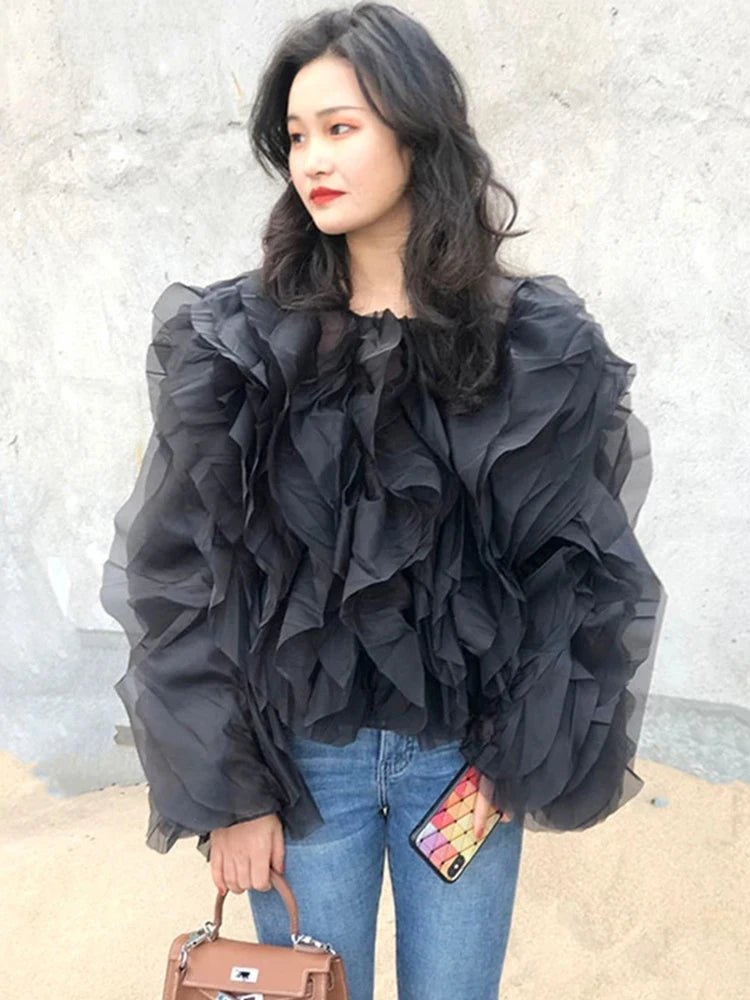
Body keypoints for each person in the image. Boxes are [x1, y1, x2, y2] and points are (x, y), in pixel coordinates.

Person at [100, 4, 666, 998]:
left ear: (415, 130)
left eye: (340, 127)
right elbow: (181, 578)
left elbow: (578, 573)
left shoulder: (536, 347)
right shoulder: (236, 347)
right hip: (298, 770)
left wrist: (516, 756)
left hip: (463, 768)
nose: (312, 159)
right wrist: (230, 792)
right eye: (295, 136)